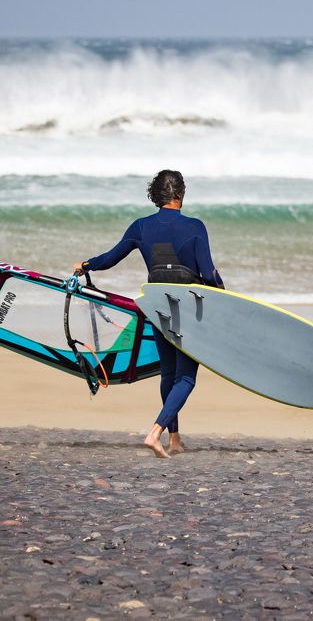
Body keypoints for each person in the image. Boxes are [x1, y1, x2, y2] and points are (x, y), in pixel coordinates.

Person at [75, 169, 224, 458]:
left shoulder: (141, 227)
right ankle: (155, 433)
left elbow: (110, 258)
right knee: (186, 378)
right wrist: (224, 299)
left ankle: (175, 439)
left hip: (157, 306)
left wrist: (85, 265)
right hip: (187, 308)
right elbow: (208, 273)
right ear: (180, 194)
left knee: (168, 373)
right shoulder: (195, 227)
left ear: (157, 196)